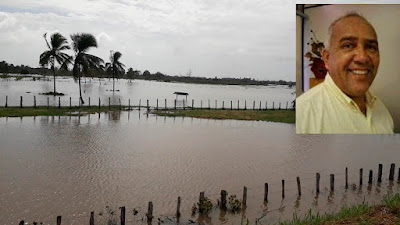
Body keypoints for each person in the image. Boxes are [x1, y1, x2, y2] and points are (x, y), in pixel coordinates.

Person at [296, 12, 394, 134]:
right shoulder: (302, 116)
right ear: (326, 58)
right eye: (348, 45)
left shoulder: (382, 110)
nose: (362, 57)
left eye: (371, 47)